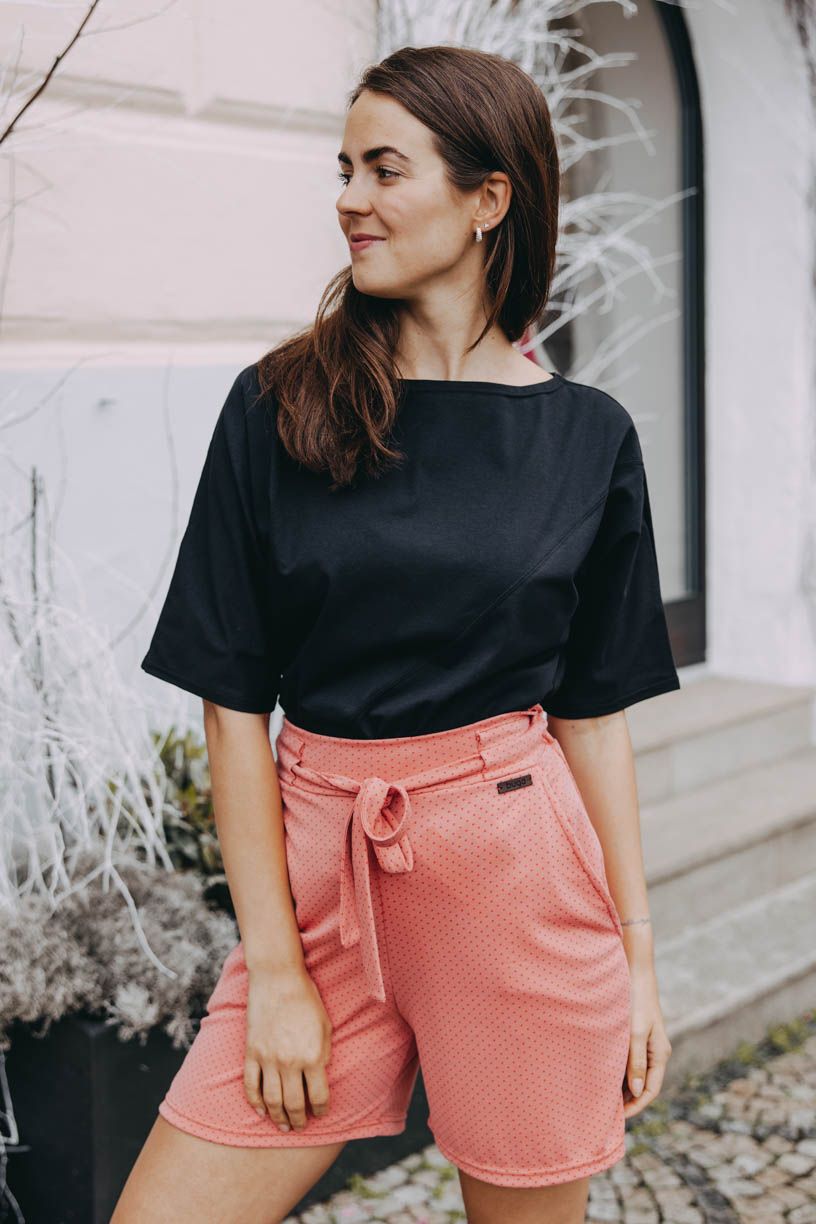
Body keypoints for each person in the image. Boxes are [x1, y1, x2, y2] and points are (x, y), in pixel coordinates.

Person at [113, 43, 679, 1224]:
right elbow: (231, 704)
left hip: (516, 882)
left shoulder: (587, 438)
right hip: (321, 884)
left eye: (384, 169)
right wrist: (276, 973)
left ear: (488, 200)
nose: (349, 200)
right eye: (344, 171)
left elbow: (591, 717)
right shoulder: (279, 406)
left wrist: (637, 955)